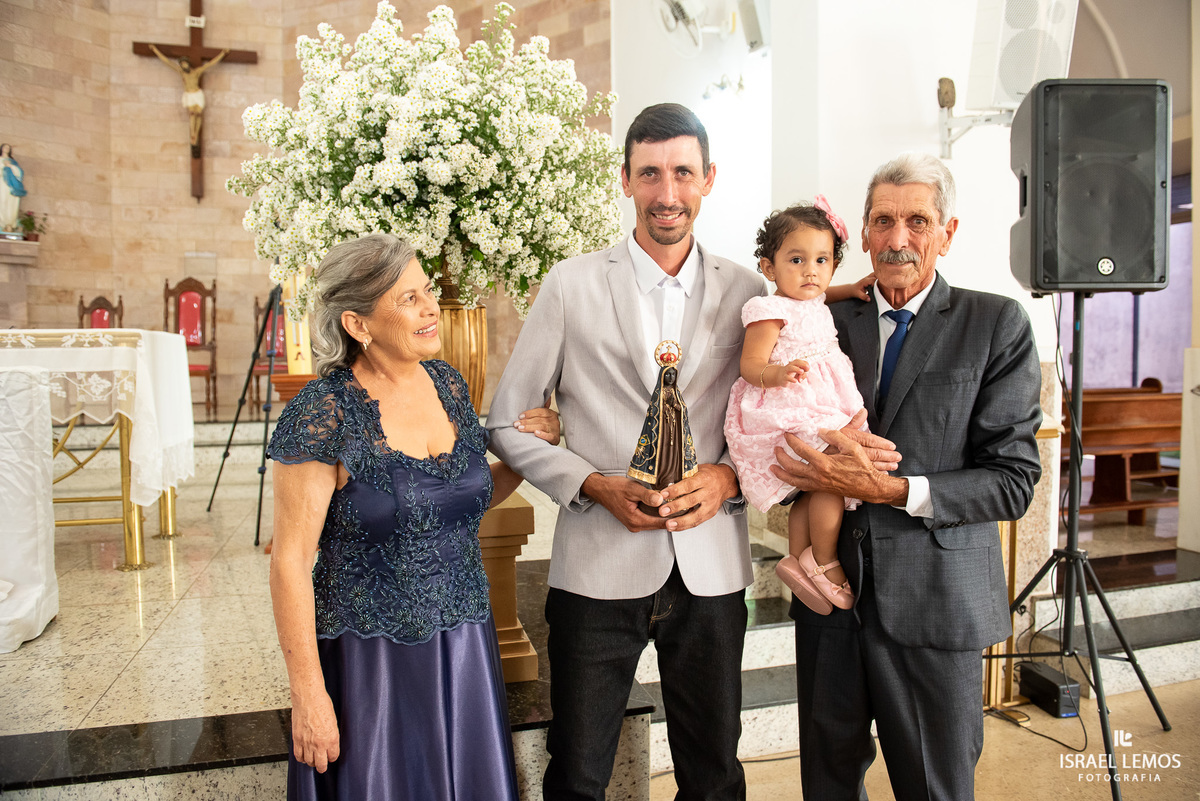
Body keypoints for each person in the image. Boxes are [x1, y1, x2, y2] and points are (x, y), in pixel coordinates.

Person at [487, 103, 889, 800]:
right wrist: (589, 482)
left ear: (708, 180)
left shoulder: (748, 291)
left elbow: (772, 409)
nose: (666, 193)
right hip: (597, 564)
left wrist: (729, 475)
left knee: (714, 776)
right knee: (577, 772)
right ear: (625, 181)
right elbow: (506, 421)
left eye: (681, 173)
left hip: (711, 569)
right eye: (650, 173)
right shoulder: (570, 285)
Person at [772, 153, 1043, 801]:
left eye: (917, 221)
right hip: (830, 597)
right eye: (883, 221)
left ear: (947, 233)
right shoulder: (824, 321)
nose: (898, 239)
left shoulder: (995, 324)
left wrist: (893, 490)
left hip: (935, 603)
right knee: (827, 787)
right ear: (861, 234)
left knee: (935, 788)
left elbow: (1012, 479)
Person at [267, 233, 560, 800]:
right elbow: (290, 563)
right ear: (358, 324)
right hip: (369, 663)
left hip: (465, 647)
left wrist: (529, 453)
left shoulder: (447, 383)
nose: (432, 307)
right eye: (409, 299)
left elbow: (451, 500)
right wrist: (308, 693)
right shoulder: (324, 412)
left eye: (427, 290)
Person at [724, 197, 870, 615]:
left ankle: (797, 558)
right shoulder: (767, 310)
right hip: (793, 404)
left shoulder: (815, 298)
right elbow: (750, 364)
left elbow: (823, 295)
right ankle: (823, 561)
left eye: (822, 260)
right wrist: (777, 373)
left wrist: (851, 289)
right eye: (796, 259)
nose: (811, 271)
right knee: (829, 480)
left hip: (823, 400)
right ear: (769, 268)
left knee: (811, 488)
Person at [148, 44, 229, 151]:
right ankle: (193, 136)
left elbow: (210, 64)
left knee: (198, 115)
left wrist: (222, 54)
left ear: (188, 64)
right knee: (192, 114)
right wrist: (155, 50)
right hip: (189, 95)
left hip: (197, 94)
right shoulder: (182, 73)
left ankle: (196, 134)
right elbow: (167, 62)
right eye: (181, 64)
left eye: (184, 64)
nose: (183, 66)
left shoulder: (196, 72)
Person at [0, 144, 26, 232]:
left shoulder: (12, 162)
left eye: (8, 147)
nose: (6, 149)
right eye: (5, 147)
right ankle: (2, 223)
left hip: (11, 186)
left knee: (11, 204)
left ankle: (9, 224)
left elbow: (19, 173)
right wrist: (3, 168)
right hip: (2, 184)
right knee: (2, 202)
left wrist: (10, 166)